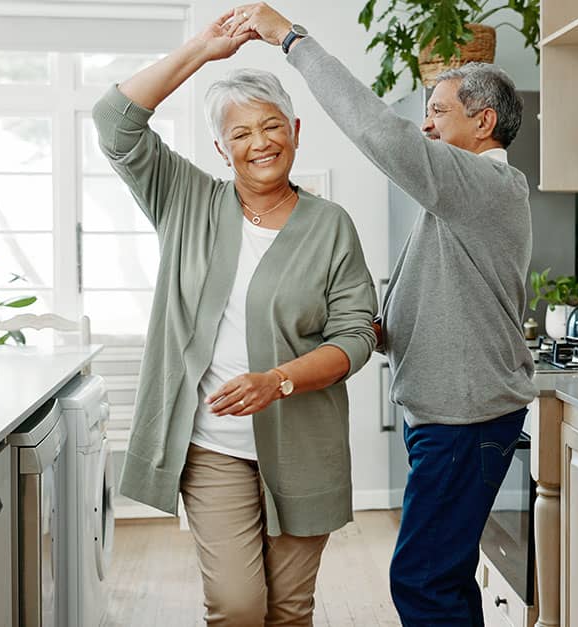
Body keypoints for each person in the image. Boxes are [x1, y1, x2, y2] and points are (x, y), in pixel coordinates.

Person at [227, 5, 536, 624]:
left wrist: (291, 38)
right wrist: (373, 329)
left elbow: (376, 129)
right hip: (454, 415)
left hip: (463, 418)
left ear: (484, 121)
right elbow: (446, 290)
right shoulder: (466, 195)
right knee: (443, 576)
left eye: (437, 112)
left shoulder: (480, 184)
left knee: (421, 581)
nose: (423, 127)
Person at [92, 11, 377, 626]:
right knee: (238, 606)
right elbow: (113, 123)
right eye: (240, 133)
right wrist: (201, 50)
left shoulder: (330, 226)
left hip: (305, 444)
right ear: (221, 148)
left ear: (296, 131)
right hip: (210, 446)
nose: (260, 143)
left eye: (272, 125)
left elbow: (356, 335)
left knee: (291, 610)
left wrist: (277, 380)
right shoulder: (187, 199)